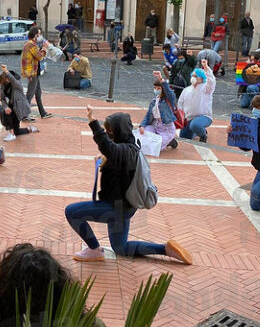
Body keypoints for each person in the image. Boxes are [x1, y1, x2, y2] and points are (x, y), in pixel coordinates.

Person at [64, 106, 193, 264]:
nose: (107, 134)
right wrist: (106, 160)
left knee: (71, 212)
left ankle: (94, 249)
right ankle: (165, 249)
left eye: (109, 131)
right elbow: (114, 154)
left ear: (117, 131)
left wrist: (92, 122)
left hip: (116, 208)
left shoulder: (124, 151)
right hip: (125, 207)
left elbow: (109, 148)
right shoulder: (130, 145)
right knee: (121, 248)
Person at [139, 71, 179, 150]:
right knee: (143, 138)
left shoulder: (168, 100)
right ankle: (167, 141)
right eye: (155, 88)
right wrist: (142, 126)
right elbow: (148, 115)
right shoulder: (154, 101)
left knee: (154, 148)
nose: (156, 90)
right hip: (155, 126)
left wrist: (161, 80)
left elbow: (170, 93)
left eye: (159, 88)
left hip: (166, 128)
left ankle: (170, 141)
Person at [0, 64, 39, 142]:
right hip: (10, 107)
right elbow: (2, 99)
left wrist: (6, 71)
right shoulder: (3, 86)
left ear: (8, 78)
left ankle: (27, 130)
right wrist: (6, 107)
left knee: (16, 131)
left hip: (19, 107)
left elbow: (13, 80)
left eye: (5, 81)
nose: (4, 83)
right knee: (5, 112)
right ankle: (12, 134)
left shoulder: (17, 85)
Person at [178, 60, 216, 143]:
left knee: (195, 125)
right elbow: (180, 104)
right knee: (184, 137)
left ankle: (203, 135)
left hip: (204, 117)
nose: (193, 78)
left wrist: (206, 68)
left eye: (196, 76)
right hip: (188, 118)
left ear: (202, 78)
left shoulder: (206, 88)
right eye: (193, 76)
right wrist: (181, 117)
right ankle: (197, 132)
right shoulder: (186, 90)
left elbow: (211, 82)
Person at [21, 27, 53, 119]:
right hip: (32, 73)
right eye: (38, 34)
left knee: (38, 93)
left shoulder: (31, 44)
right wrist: (44, 49)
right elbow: (39, 56)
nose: (39, 36)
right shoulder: (31, 44)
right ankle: (24, 114)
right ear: (34, 35)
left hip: (35, 72)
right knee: (30, 94)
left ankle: (42, 113)